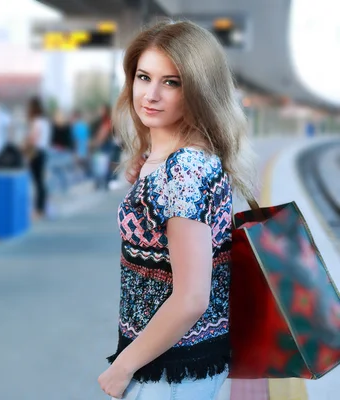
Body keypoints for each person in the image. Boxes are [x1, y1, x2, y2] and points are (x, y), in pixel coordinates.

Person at [97, 20, 255, 399]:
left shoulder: (184, 170)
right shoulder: (173, 158)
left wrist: (123, 367)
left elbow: (191, 297)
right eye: (143, 76)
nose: (150, 94)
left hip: (169, 373)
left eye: (172, 82)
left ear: (199, 90)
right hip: (171, 362)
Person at [23, 96, 51, 219]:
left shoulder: (37, 122)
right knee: (40, 181)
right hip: (43, 152)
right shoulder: (45, 122)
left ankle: (38, 210)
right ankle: (41, 208)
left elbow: (34, 138)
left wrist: (24, 145)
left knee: (37, 182)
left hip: (36, 152)